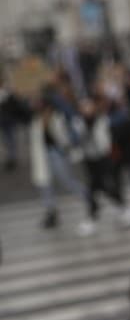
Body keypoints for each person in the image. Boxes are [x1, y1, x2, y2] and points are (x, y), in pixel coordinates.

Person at [29, 93, 86, 231]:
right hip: (42, 156)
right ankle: (51, 212)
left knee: (67, 181)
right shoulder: (36, 121)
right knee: (45, 185)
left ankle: (88, 197)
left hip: (57, 154)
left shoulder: (57, 118)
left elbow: (65, 138)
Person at [76, 96, 128, 235]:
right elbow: (77, 138)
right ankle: (101, 213)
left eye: (88, 106)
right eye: (83, 107)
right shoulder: (79, 122)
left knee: (103, 186)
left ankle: (116, 208)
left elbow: (107, 137)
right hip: (89, 159)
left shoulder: (102, 120)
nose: (86, 110)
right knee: (94, 187)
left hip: (102, 158)